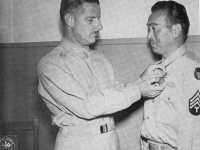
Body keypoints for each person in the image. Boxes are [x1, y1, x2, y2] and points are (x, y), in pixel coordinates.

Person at [37, 0, 165, 150]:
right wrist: (138, 90)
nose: (99, 26)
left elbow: (113, 91)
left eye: (99, 19)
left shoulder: (100, 59)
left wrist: (141, 81)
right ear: (70, 20)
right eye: (91, 19)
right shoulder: (51, 64)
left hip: (109, 141)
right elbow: (88, 106)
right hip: (78, 144)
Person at [141, 1, 200, 150]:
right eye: (148, 29)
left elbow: (193, 131)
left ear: (176, 31)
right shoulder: (156, 69)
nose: (149, 36)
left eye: (154, 29)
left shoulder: (190, 69)